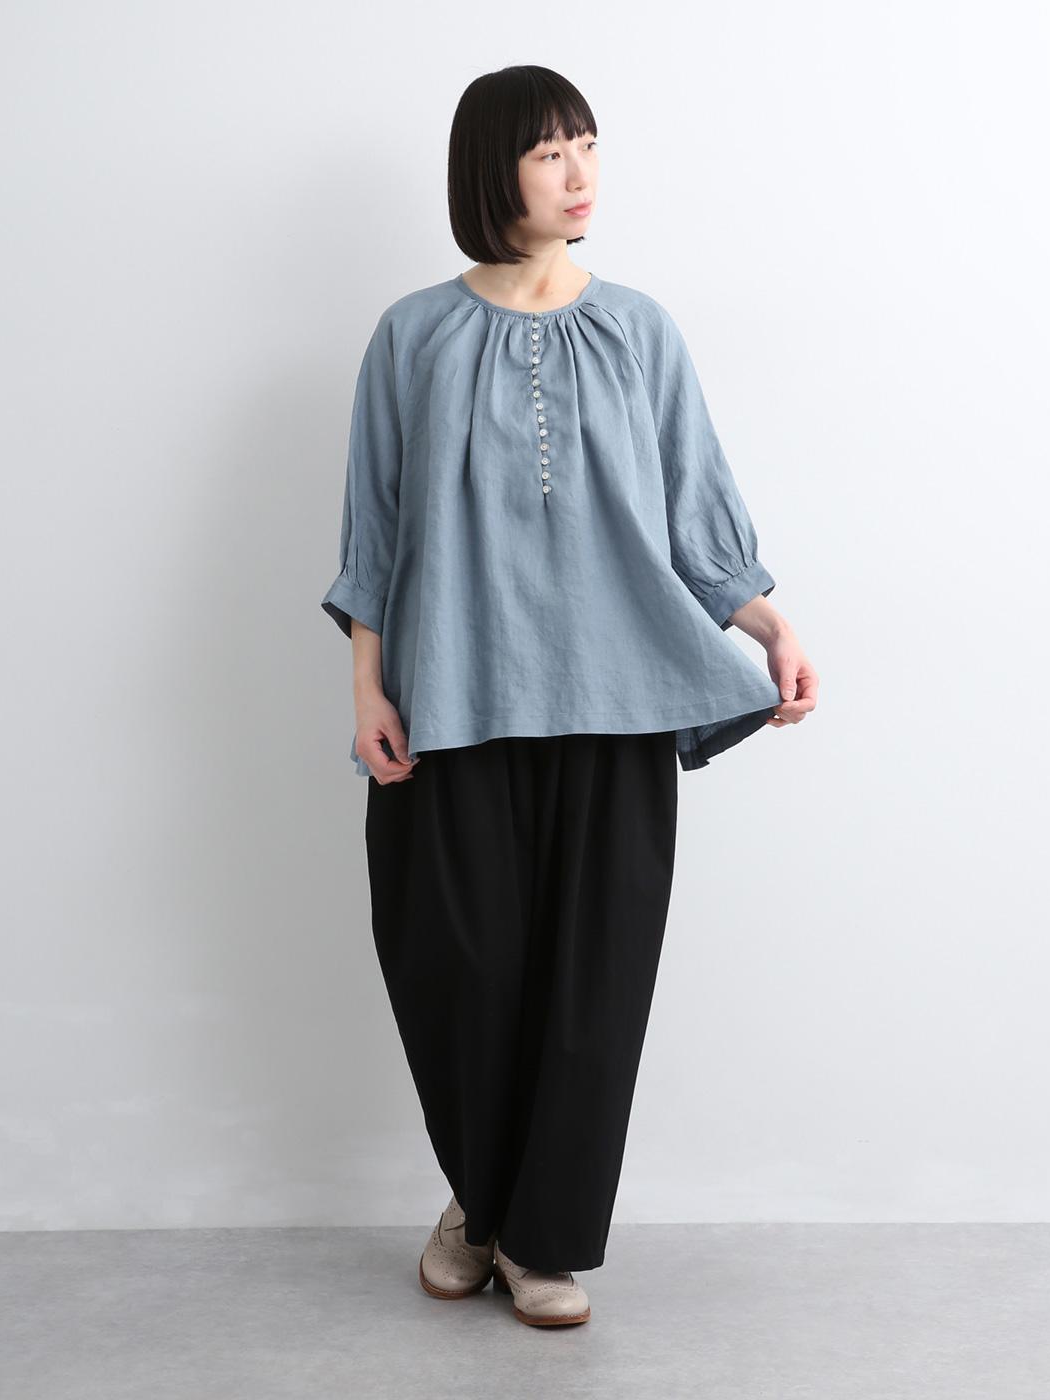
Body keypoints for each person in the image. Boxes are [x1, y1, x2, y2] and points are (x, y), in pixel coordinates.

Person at [320, 65, 819, 1328]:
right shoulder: (412, 335)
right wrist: (367, 683)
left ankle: (541, 1240)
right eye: (551, 152)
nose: (581, 174)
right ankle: (479, 1204)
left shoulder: (642, 329)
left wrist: (771, 625)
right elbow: (377, 525)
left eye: (589, 145)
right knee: (456, 972)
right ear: (491, 170)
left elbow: (695, 511)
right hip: (455, 698)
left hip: (617, 703)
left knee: (591, 992)